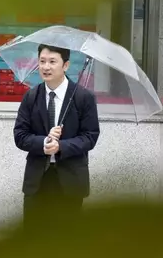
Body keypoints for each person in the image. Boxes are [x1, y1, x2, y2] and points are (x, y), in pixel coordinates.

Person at [13, 44, 100, 229]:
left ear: (65, 65)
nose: (46, 67)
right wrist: (43, 142)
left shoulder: (83, 98)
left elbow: (90, 137)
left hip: (70, 181)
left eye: (52, 62)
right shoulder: (31, 96)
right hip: (37, 180)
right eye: (42, 61)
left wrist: (61, 146)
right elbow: (20, 135)